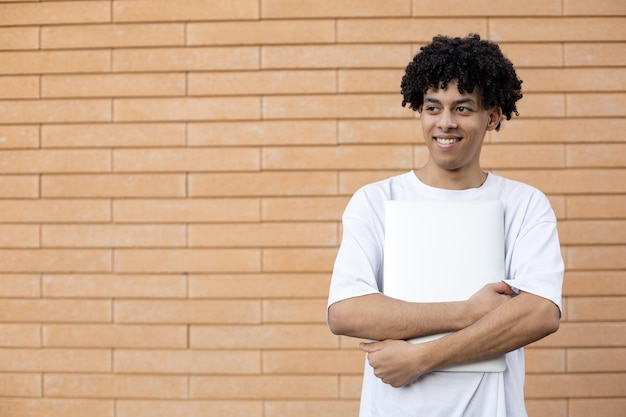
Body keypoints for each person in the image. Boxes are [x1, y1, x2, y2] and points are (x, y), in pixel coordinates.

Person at [327, 34, 564, 417]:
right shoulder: (376, 201)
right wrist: (466, 312)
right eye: (433, 107)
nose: (446, 123)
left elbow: (540, 313)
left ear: (493, 116)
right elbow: (346, 311)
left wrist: (421, 358)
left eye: (463, 108)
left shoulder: (524, 204)